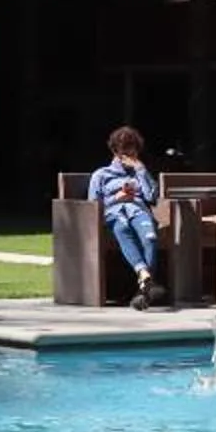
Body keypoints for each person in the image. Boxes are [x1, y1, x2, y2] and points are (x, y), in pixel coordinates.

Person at [87, 125, 164, 311]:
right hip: (114, 213)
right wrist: (116, 198)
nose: (129, 157)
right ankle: (144, 275)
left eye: (133, 152)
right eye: (125, 153)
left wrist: (141, 169)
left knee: (150, 237)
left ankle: (143, 286)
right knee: (122, 229)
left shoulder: (139, 173)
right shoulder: (101, 175)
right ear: (115, 152)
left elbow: (152, 197)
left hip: (138, 211)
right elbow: (92, 205)